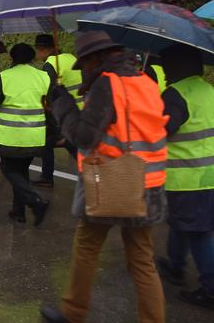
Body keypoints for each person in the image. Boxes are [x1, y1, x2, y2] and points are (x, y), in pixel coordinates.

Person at [40, 31, 167, 323]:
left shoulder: (107, 84)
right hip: (149, 184)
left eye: (84, 63)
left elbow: (84, 136)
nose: (83, 69)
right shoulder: (145, 82)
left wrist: (62, 105)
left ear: (96, 58)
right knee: (142, 261)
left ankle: (73, 312)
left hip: (113, 179)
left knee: (87, 247)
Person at [154, 44, 214, 310]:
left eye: (167, 66)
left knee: (199, 233)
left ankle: (211, 289)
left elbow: (162, 130)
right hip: (208, 174)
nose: (164, 73)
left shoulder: (176, 95)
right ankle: (175, 265)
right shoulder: (208, 90)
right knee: (183, 224)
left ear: (178, 66)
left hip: (188, 177)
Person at [0, 43, 51, 225]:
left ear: (12, 58)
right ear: (32, 58)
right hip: (35, 135)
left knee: (9, 169)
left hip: (11, 135)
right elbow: (49, 100)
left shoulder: (5, 77)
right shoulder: (42, 76)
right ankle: (18, 212)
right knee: (21, 171)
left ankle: (36, 201)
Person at [33, 34, 81, 188]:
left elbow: (48, 91)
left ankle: (47, 177)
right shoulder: (71, 57)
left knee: (48, 141)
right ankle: (92, 173)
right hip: (81, 109)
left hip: (64, 113)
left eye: (37, 50)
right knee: (73, 145)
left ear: (42, 49)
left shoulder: (51, 64)